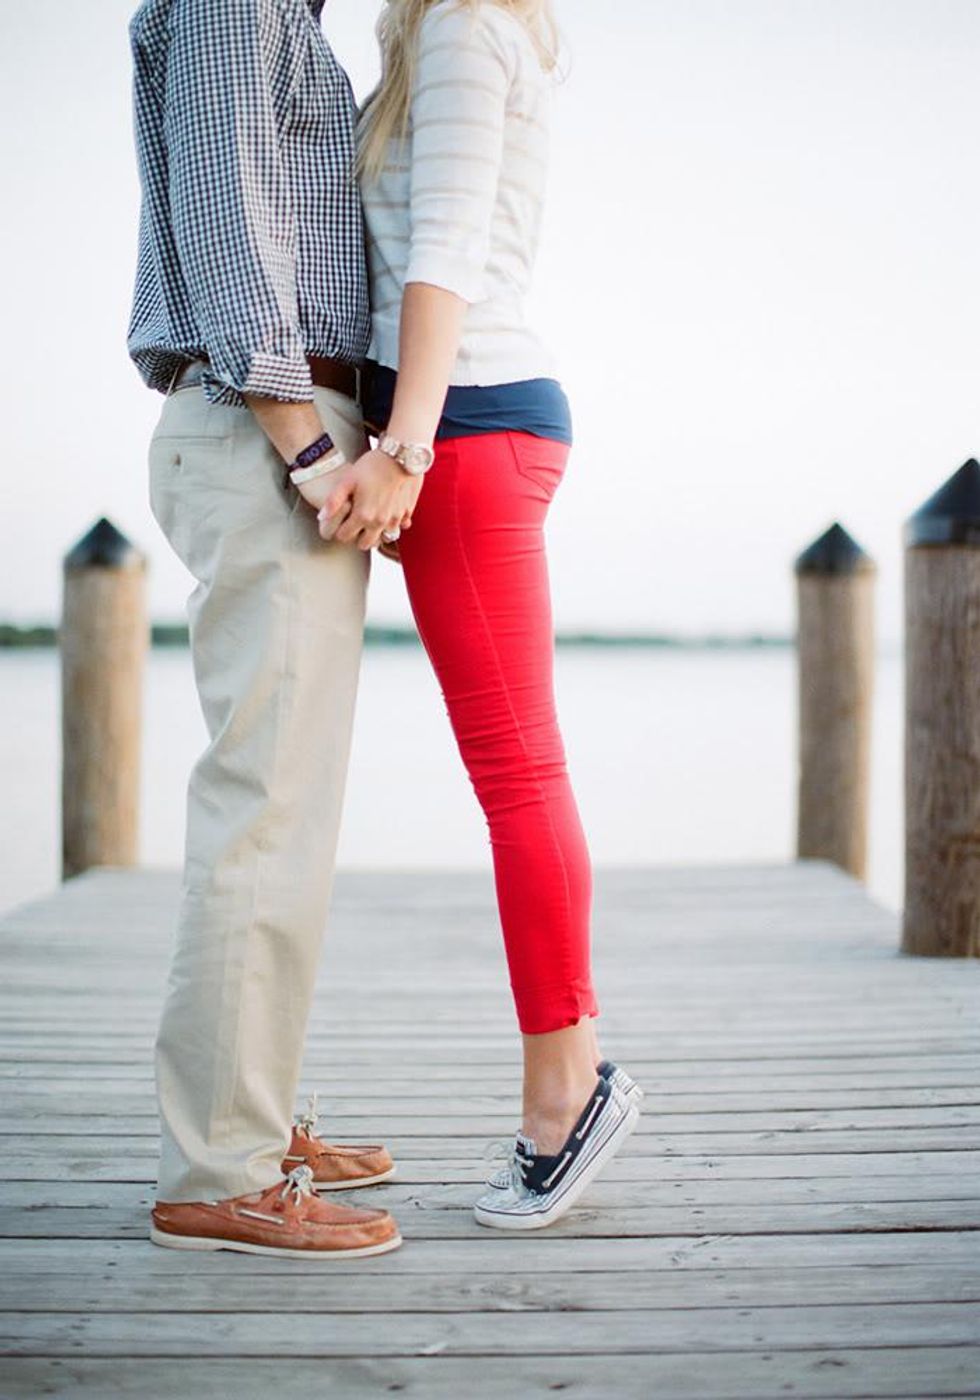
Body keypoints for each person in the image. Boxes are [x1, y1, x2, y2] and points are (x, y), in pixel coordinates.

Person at [320, 0, 642, 1229]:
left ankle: (567, 1090)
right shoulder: (443, 34)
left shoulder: (461, 25)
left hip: (461, 423)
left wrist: (401, 444)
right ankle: (572, 1072)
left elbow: (442, 245)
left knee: (517, 771)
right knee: (519, 766)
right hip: (466, 419)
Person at [127, 0, 411, 1258]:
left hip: (269, 432)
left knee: (283, 806)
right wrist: (305, 445)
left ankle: (247, 1120)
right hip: (266, 433)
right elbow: (233, 220)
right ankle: (221, 1166)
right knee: (261, 808)